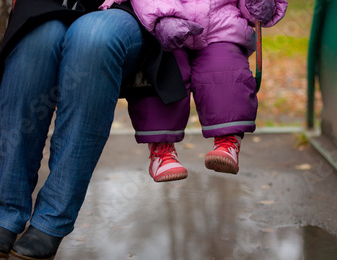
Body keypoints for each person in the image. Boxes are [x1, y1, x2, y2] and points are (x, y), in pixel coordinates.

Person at [0, 0, 187, 260]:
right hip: (53, 3)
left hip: (128, 10)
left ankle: (52, 217)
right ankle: (5, 211)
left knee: (92, 38)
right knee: (38, 39)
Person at [101, 0, 287, 182]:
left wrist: (255, 5)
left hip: (221, 27)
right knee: (164, 73)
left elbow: (251, 13)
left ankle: (228, 142)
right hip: (167, 25)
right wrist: (163, 17)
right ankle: (162, 151)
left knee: (224, 69)